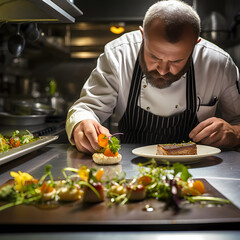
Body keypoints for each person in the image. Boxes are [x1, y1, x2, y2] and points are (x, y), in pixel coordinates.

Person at [66, 0, 240, 154]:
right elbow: (86, 108)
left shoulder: (219, 64)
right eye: (154, 56)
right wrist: (82, 123)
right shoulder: (118, 55)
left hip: (199, 169)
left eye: (177, 60)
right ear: (142, 35)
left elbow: (237, 121)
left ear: (196, 44)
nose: (163, 70)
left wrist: (234, 132)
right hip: (129, 167)